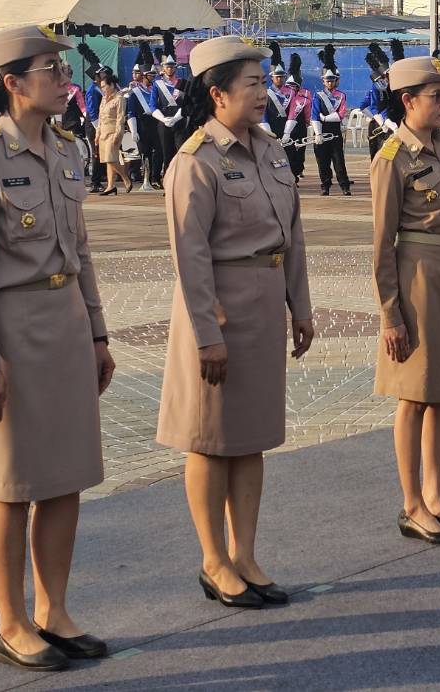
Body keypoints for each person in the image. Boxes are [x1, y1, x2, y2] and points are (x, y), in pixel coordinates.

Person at [0, 25, 115, 672]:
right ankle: (12, 622)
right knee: (11, 484)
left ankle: (54, 610)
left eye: (61, 65)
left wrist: (98, 330)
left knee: (64, 477)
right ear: (12, 83)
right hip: (12, 330)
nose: (62, 76)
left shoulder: (69, 149)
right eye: (49, 68)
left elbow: (79, 250)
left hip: (66, 320)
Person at [156, 37, 315, 608]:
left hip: (264, 304)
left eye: (264, 83)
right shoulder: (194, 162)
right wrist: (206, 332)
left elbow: (291, 236)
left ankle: (246, 554)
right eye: (252, 84)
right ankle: (214, 560)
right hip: (220, 308)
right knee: (210, 441)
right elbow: (189, 255)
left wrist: (301, 307)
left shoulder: (271, 152)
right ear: (217, 93)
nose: (264, 94)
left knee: (250, 440)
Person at [371, 55, 440, 547]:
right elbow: (382, 244)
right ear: (408, 100)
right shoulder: (392, 158)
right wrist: (390, 314)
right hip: (415, 279)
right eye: (435, 97)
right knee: (413, 396)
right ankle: (411, 502)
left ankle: (435, 497)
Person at [311, 50, 352, 196]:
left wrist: (325, 118)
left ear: (335, 81)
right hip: (321, 131)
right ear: (323, 81)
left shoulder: (341, 96)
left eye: (332, 80)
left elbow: (341, 114)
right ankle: (325, 186)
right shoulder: (318, 96)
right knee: (323, 162)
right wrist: (318, 133)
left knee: (339, 160)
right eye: (327, 80)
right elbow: (314, 115)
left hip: (334, 131)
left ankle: (345, 186)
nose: (330, 82)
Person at [126, 65, 162, 189]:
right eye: (150, 75)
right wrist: (133, 130)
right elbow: (131, 112)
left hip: (156, 123)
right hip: (142, 125)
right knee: (145, 153)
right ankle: (146, 178)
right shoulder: (135, 92)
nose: (153, 77)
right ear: (143, 75)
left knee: (158, 152)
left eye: (153, 75)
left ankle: (155, 178)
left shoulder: (156, 89)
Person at [96, 71, 130, 195]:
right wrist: (97, 133)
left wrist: (118, 133)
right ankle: (111, 186)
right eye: (102, 87)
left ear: (111, 85)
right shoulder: (104, 99)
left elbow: (121, 117)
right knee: (107, 160)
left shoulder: (119, 98)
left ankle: (126, 178)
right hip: (103, 132)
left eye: (104, 86)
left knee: (111, 159)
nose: (103, 89)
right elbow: (100, 116)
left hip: (113, 131)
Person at [152, 55, 187, 164]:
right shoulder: (157, 84)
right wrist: (163, 119)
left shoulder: (183, 83)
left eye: (172, 67)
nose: (170, 69)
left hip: (180, 121)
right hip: (164, 122)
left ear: (175, 68)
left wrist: (176, 118)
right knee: (166, 153)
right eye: (167, 67)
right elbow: (152, 105)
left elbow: (187, 104)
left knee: (182, 151)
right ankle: (168, 178)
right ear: (163, 68)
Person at [283, 59, 314, 182]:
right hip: (287, 125)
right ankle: (292, 176)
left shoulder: (306, 94)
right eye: (289, 86)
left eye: (294, 86)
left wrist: (308, 122)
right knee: (288, 151)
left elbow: (307, 110)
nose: (292, 88)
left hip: (300, 125)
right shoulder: (283, 94)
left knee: (300, 151)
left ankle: (298, 169)